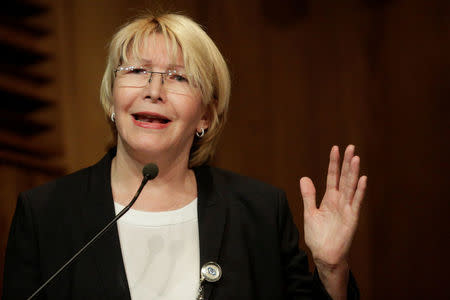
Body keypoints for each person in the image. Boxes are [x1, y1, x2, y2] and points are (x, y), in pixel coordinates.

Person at [2, 12, 367, 300]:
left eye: (179, 78)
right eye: (137, 71)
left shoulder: (257, 212)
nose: (153, 90)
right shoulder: (45, 214)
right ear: (112, 98)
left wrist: (331, 268)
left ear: (205, 116)